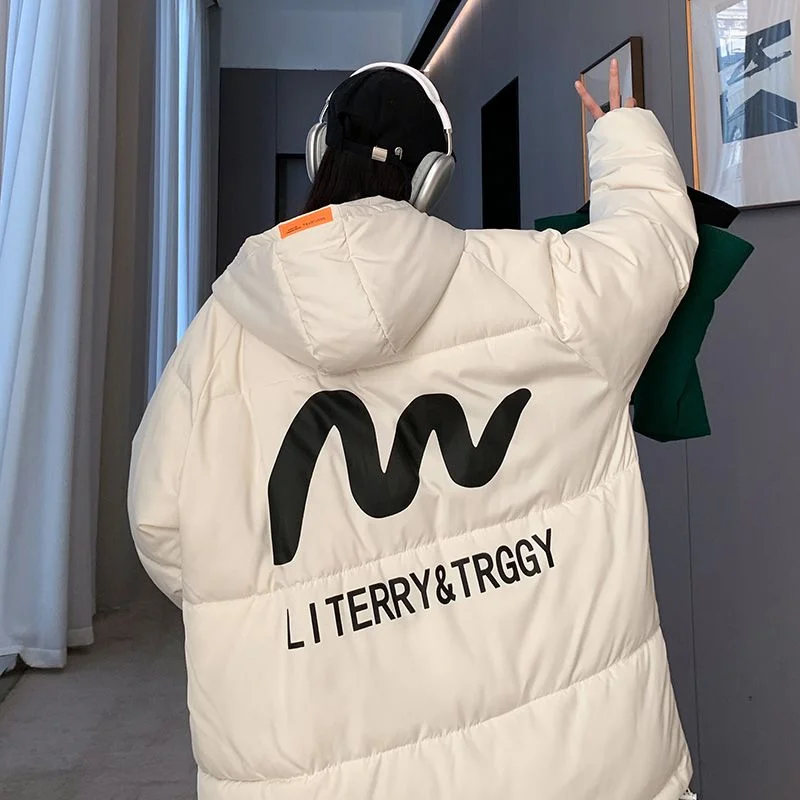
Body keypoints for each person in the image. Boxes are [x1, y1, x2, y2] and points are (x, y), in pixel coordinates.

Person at [129, 59, 698, 800]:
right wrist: (621, 135)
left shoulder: (214, 344)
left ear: (317, 152)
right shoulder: (540, 287)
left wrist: (296, 598)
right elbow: (653, 249)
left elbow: (161, 524)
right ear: (432, 179)